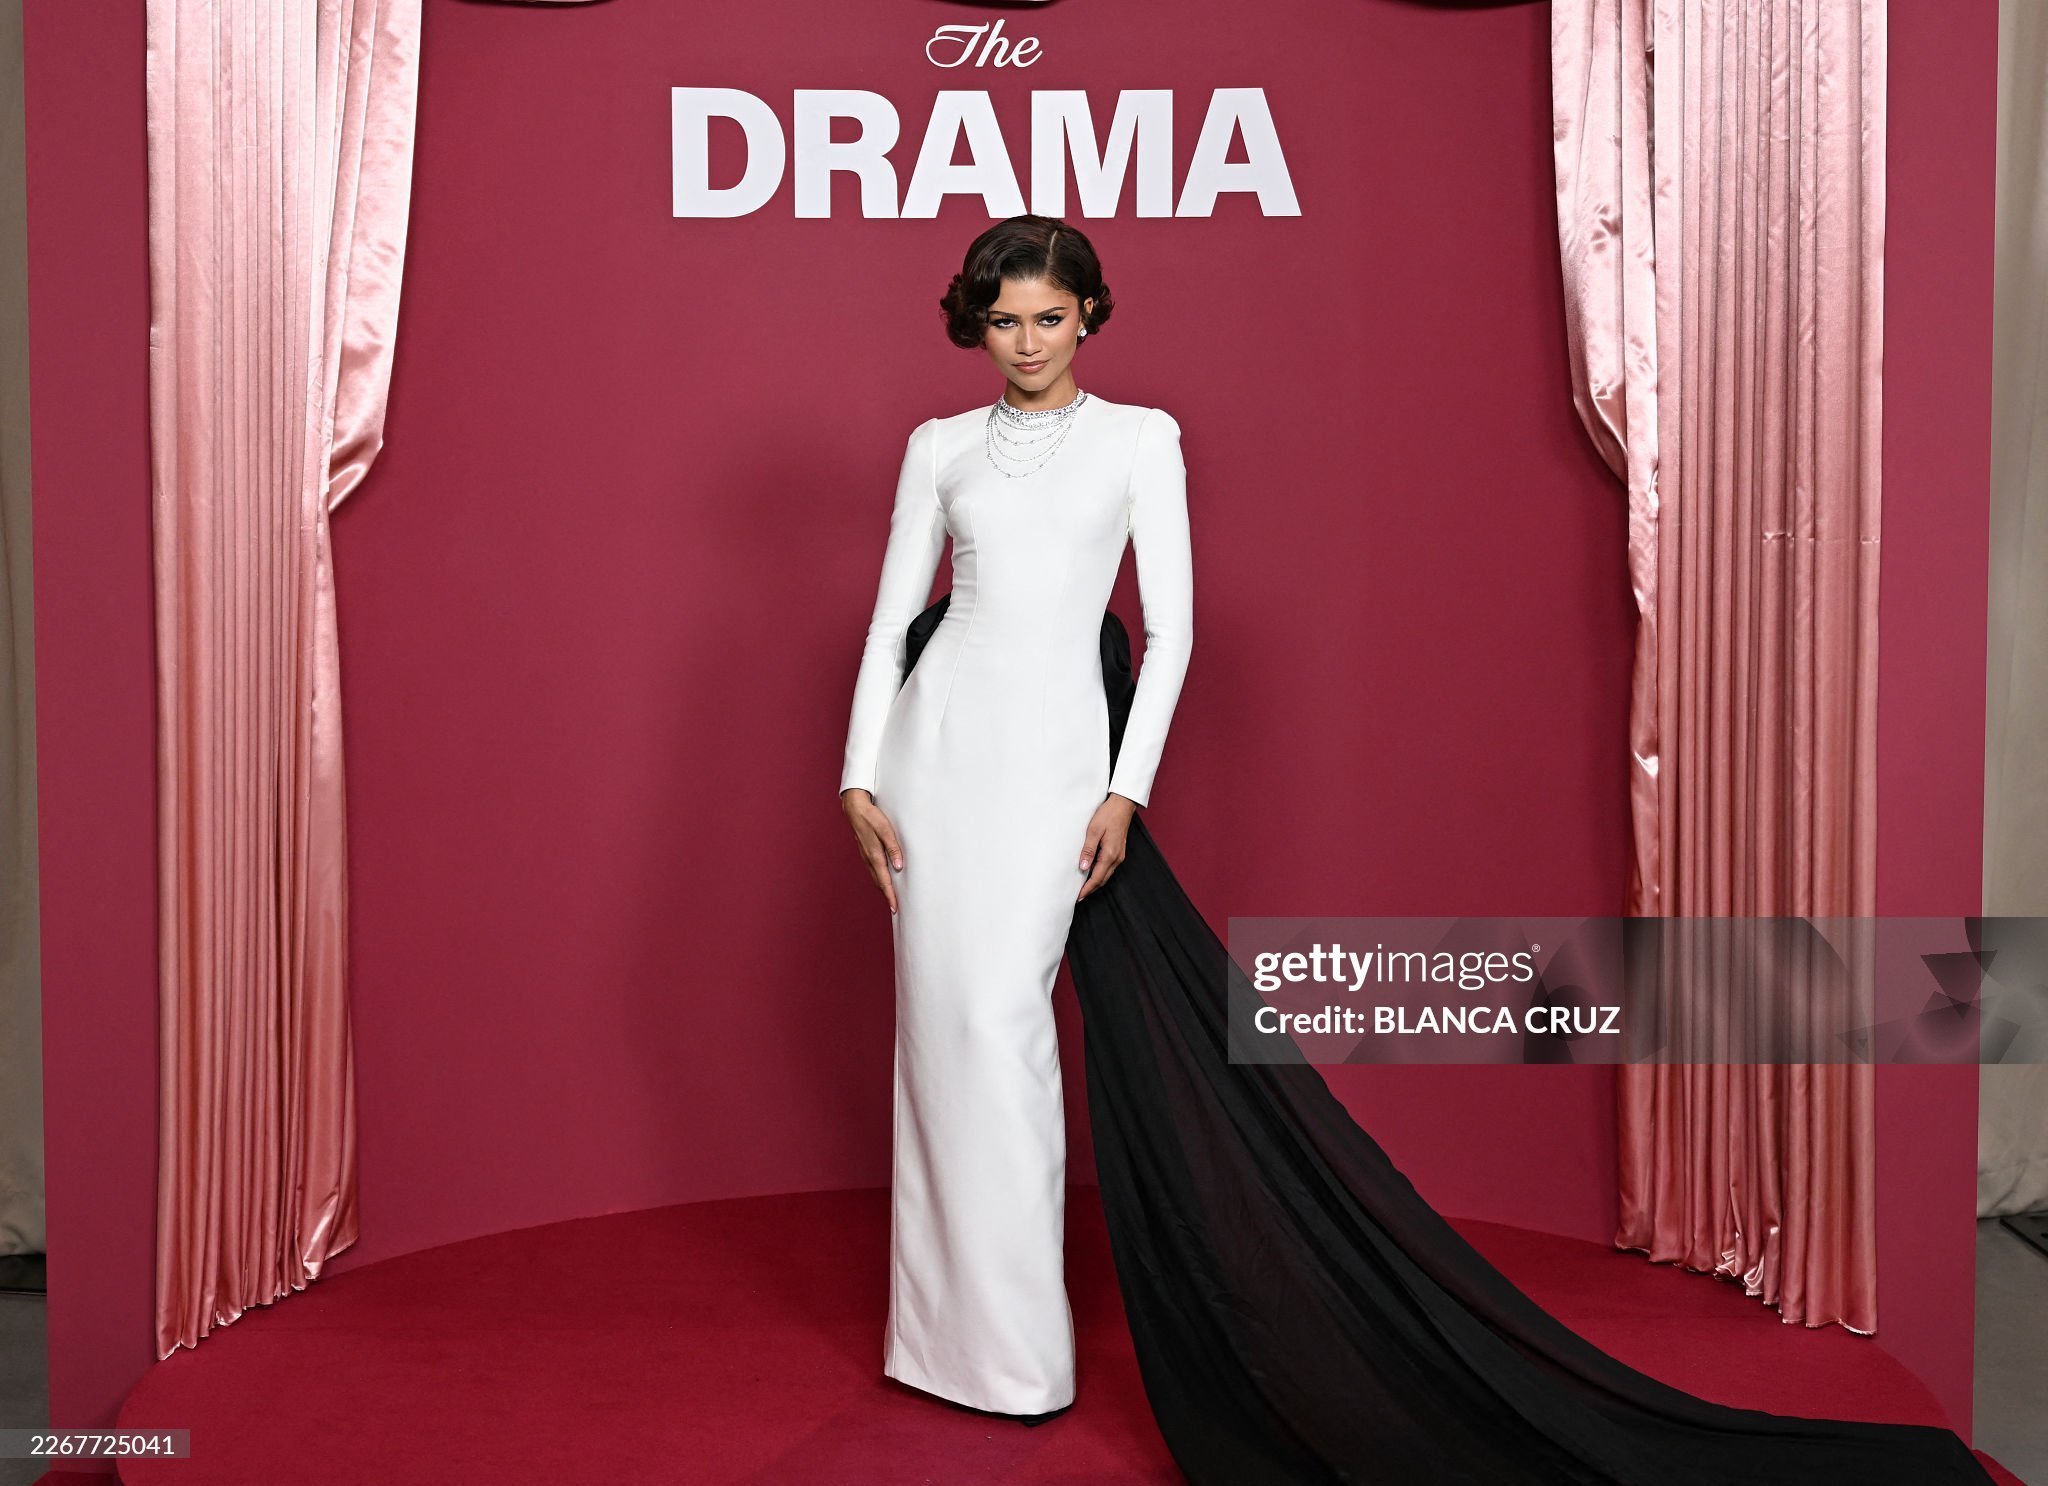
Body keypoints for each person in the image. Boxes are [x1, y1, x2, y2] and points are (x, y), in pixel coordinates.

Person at [840, 214, 1997, 1483]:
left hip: (1058, 771)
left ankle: (1018, 1360)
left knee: (999, 1034)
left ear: (1088, 316)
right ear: (975, 322)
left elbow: (1170, 635)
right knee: (938, 1043)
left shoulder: (1136, 439)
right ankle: (936, 1341)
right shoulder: (939, 447)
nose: (1026, 343)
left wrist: (1125, 788)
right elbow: (895, 623)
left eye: (1049, 318)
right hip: (930, 762)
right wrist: (857, 772)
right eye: (1003, 320)